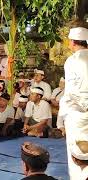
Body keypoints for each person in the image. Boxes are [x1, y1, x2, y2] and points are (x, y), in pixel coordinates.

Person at [59, 26, 88, 180]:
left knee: (77, 153)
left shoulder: (73, 60)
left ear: (73, 42)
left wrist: (62, 117)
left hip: (78, 113)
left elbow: (71, 91)